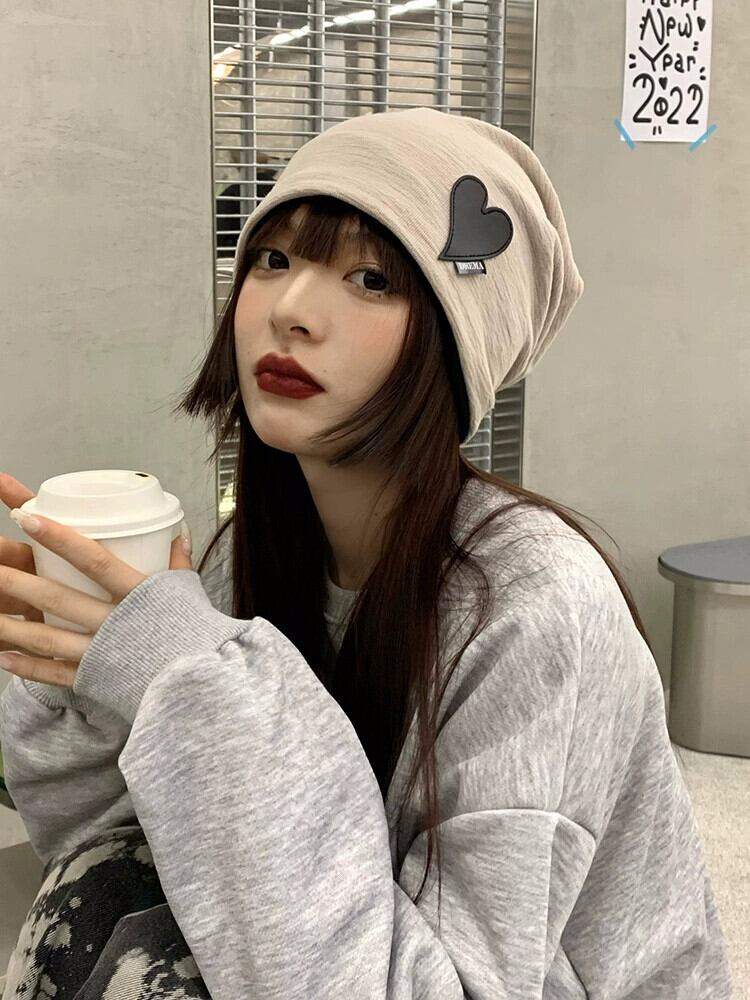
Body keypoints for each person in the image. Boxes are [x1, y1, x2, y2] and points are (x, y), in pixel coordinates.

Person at [0, 107, 734, 998]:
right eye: (274, 260)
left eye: (372, 278)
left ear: (453, 346)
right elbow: (107, 857)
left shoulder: (537, 605)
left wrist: (204, 691)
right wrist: (77, 677)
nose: (291, 311)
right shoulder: (248, 559)